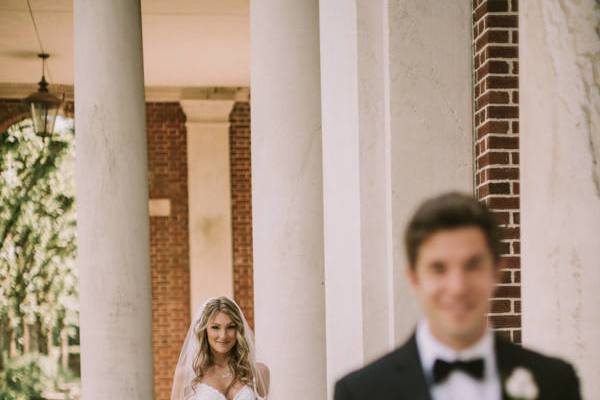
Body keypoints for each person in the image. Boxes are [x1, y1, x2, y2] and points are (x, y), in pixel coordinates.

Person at [334, 192, 581, 400]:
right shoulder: (360, 392)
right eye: (438, 269)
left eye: (472, 265)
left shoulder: (556, 381)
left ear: (497, 272)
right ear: (414, 278)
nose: (457, 287)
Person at [171, 296, 269, 400]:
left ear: (239, 330)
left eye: (231, 327)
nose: (223, 335)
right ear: (204, 331)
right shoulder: (185, 375)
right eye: (215, 327)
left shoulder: (259, 372)